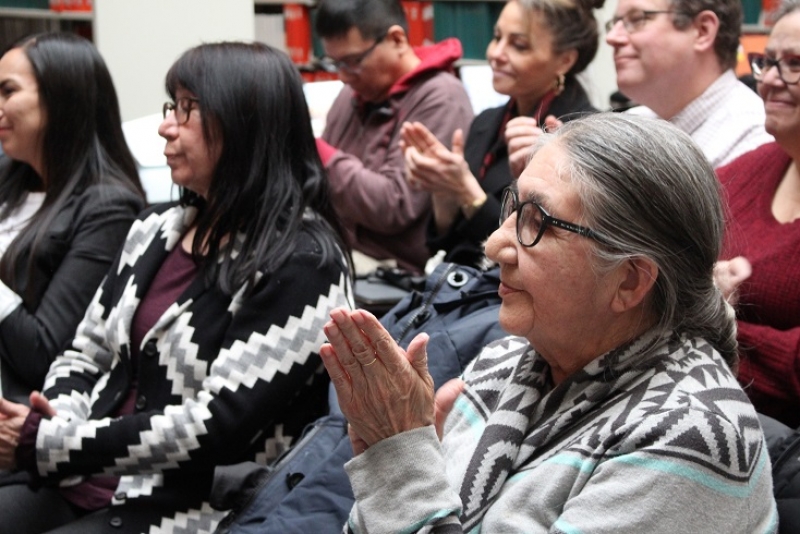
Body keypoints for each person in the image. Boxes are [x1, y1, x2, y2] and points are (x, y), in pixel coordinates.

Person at [320, 113, 777, 533]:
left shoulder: (692, 434)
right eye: (513, 207)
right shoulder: (504, 361)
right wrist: (396, 456)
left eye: (537, 222)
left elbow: (409, 501)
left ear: (629, 280)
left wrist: (399, 457)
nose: (494, 245)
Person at [0, 42, 352, 533]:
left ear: (244, 123)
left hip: (193, 508)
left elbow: (214, 426)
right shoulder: (154, 229)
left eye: (188, 109)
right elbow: (86, 352)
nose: (166, 126)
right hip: (80, 476)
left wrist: (51, 443)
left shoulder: (305, 262)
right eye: (173, 106)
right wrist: (58, 417)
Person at [0, 33, 145, 404]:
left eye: (8, 91)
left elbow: (44, 351)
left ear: (59, 98)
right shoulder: (9, 179)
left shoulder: (108, 209)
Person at [401, 0, 600, 268]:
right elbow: (446, 246)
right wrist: (443, 191)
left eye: (519, 45)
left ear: (565, 60)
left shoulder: (584, 136)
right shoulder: (486, 121)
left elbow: (546, 249)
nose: (495, 53)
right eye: (496, 38)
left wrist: (466, 191)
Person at [314, 0, 473, 274]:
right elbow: (318, 185)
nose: (343, 76)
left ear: (397, 40)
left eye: (353, 62)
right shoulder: (354, 92)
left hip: (392, 273)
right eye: (335, 63)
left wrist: (317, 150)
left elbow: (393, 206)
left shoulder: (441, 97)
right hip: (339, 250)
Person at [714, 0, 800, 429]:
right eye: (766, 62)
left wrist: (714, 325)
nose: (768, 80)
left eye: (795, 65)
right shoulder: (743, 174)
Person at [606, 0, 773, 168]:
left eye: (637, 19)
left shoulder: (756, 143)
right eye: (615, 23)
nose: (611, 37)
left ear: (702, 31)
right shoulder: (628, 127)